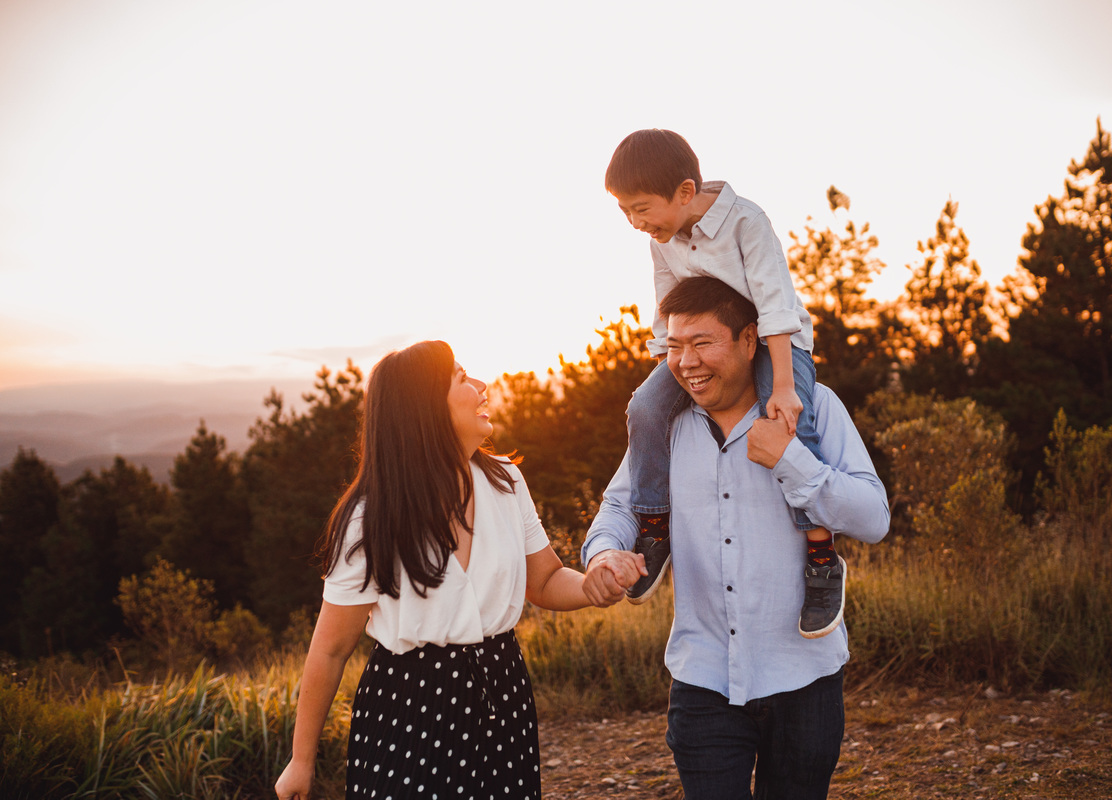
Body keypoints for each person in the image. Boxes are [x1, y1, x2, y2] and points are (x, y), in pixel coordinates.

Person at [274, 341, 646, 800]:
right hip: (407, 709)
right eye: (462, 378)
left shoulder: (506, 482)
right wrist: (301, 760)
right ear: (425, 409)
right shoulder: (371, 519)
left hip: (502, 692)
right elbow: (330, 650)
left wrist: (591, 586)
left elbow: (546, 580)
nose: (482, 386)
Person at [581, 277, 890, 799]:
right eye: (675, 347)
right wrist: (606, 550)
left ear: (751, 340)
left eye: (703, 343)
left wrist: (792, 461)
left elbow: (874, 517)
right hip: (702, 679)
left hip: (805, 677)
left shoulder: (814, 410)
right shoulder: (664, 427)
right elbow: (620, 505)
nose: (686, 362)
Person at [605, 129, 843, 638]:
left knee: (789, 422)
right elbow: (666, 307)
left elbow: (776, 305)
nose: (635, 222)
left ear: (685, 193)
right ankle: (654, 525)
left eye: (642, 208)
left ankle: (821, 554)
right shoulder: (661, 240)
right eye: (625, 211)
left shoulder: (745, 221)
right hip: (706, 346)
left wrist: (782, 386)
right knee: (644, 407)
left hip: (777, 340)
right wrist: (661, 370)